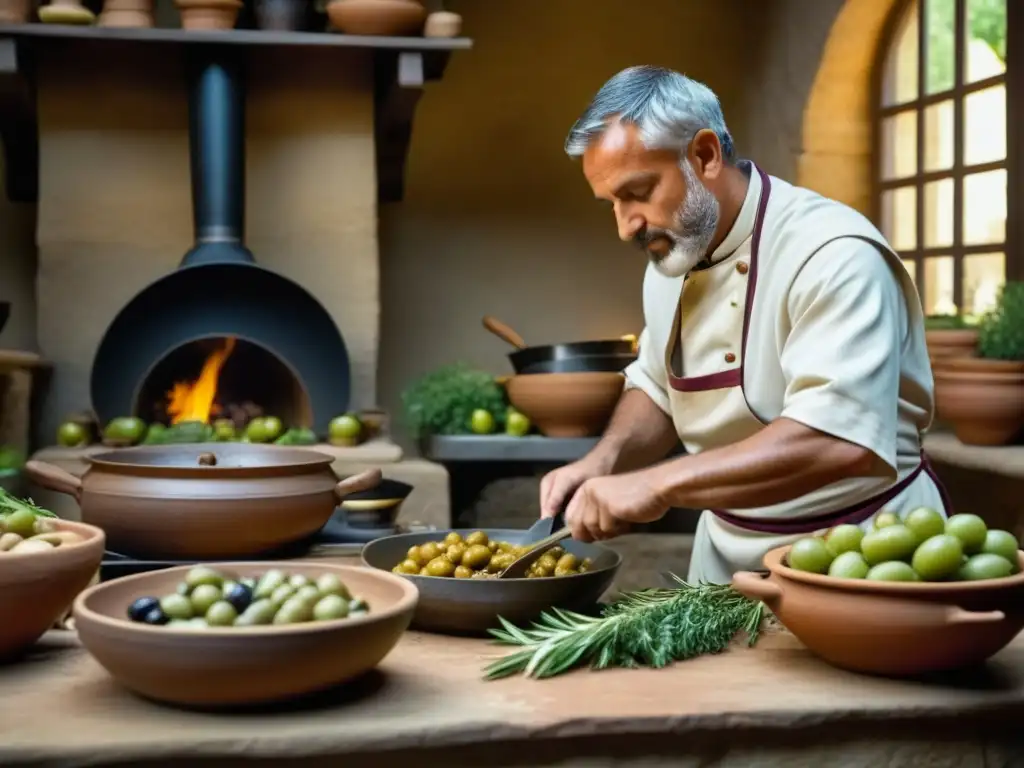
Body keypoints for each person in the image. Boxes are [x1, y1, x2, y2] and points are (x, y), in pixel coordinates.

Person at [539, 66, 951, 584]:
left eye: (638, 192)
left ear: (705, 155)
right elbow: (660, 388)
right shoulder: (671, 257)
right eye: (613, 204)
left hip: (866, 553)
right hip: (724, 558)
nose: (626, 226)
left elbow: (839, 440)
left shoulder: (834, 255)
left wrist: (658, 485)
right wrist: (603, 462)